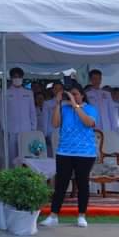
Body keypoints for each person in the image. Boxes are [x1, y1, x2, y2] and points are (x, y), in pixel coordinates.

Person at [39, 82, 98, 228]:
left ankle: (82, 215)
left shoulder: (90, 109)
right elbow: (55, 123)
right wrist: (58, 103)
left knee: (82, 184)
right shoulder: (64, 108)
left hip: (85, 153)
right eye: (70, 94)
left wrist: (75, 105)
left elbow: (89, 123)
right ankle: (53, 215)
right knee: (61, 184)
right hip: (64, 151)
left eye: (76, 94)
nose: (72, 96)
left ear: (82, 95)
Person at [5, 68, 37, 167]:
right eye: (15, 77)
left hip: (26, 129)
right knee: (12, 156)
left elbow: (32, 112)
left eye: (19, 77)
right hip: (11, 130)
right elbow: (2, 113)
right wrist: (5, 129)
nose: (17, 79)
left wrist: (33, 128)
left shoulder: (28, 93)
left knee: (27, 155)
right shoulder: (5, 93)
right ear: (11, 78)